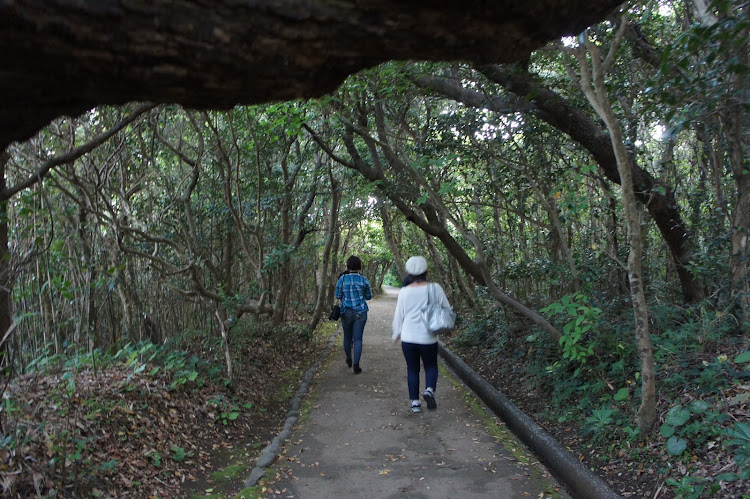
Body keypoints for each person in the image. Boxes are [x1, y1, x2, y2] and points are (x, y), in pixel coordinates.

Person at [392, 256, 451, 413]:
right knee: (431, 365)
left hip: (408, 337)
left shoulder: (404, 292)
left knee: (412, 369)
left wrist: (396, 333)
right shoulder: (435, 288)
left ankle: (415, 403)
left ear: (409, 274)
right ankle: (429, 390)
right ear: (426, 271)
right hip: (428, 337)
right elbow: (446, 308)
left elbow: (399, 315)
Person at [334, 255, 373, 374]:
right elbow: (369, 296)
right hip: (360, 312)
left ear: (348, 266)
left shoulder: (342, 279)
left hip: (346, 312)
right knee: (358, 339)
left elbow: (337, 295)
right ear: (359, 267)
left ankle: (348, 358)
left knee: (347, 337)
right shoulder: (363, 280)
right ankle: (356, 364)